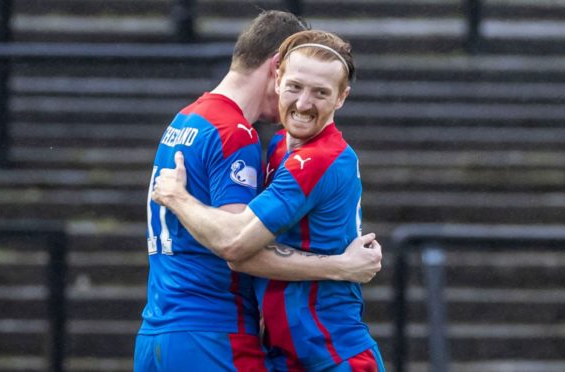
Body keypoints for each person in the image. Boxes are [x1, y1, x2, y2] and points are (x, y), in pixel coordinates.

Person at [135, 11, 383, 372]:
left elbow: (238, 244)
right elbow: (237, 247)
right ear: (278, 71)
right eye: (295, 85)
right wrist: (341, 266)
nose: (301, 103)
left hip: (165, 330)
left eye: (319, 92)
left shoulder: (186, 119)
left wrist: (177, 197)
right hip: (215, 333)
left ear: (340, 98)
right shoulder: (243, 134)